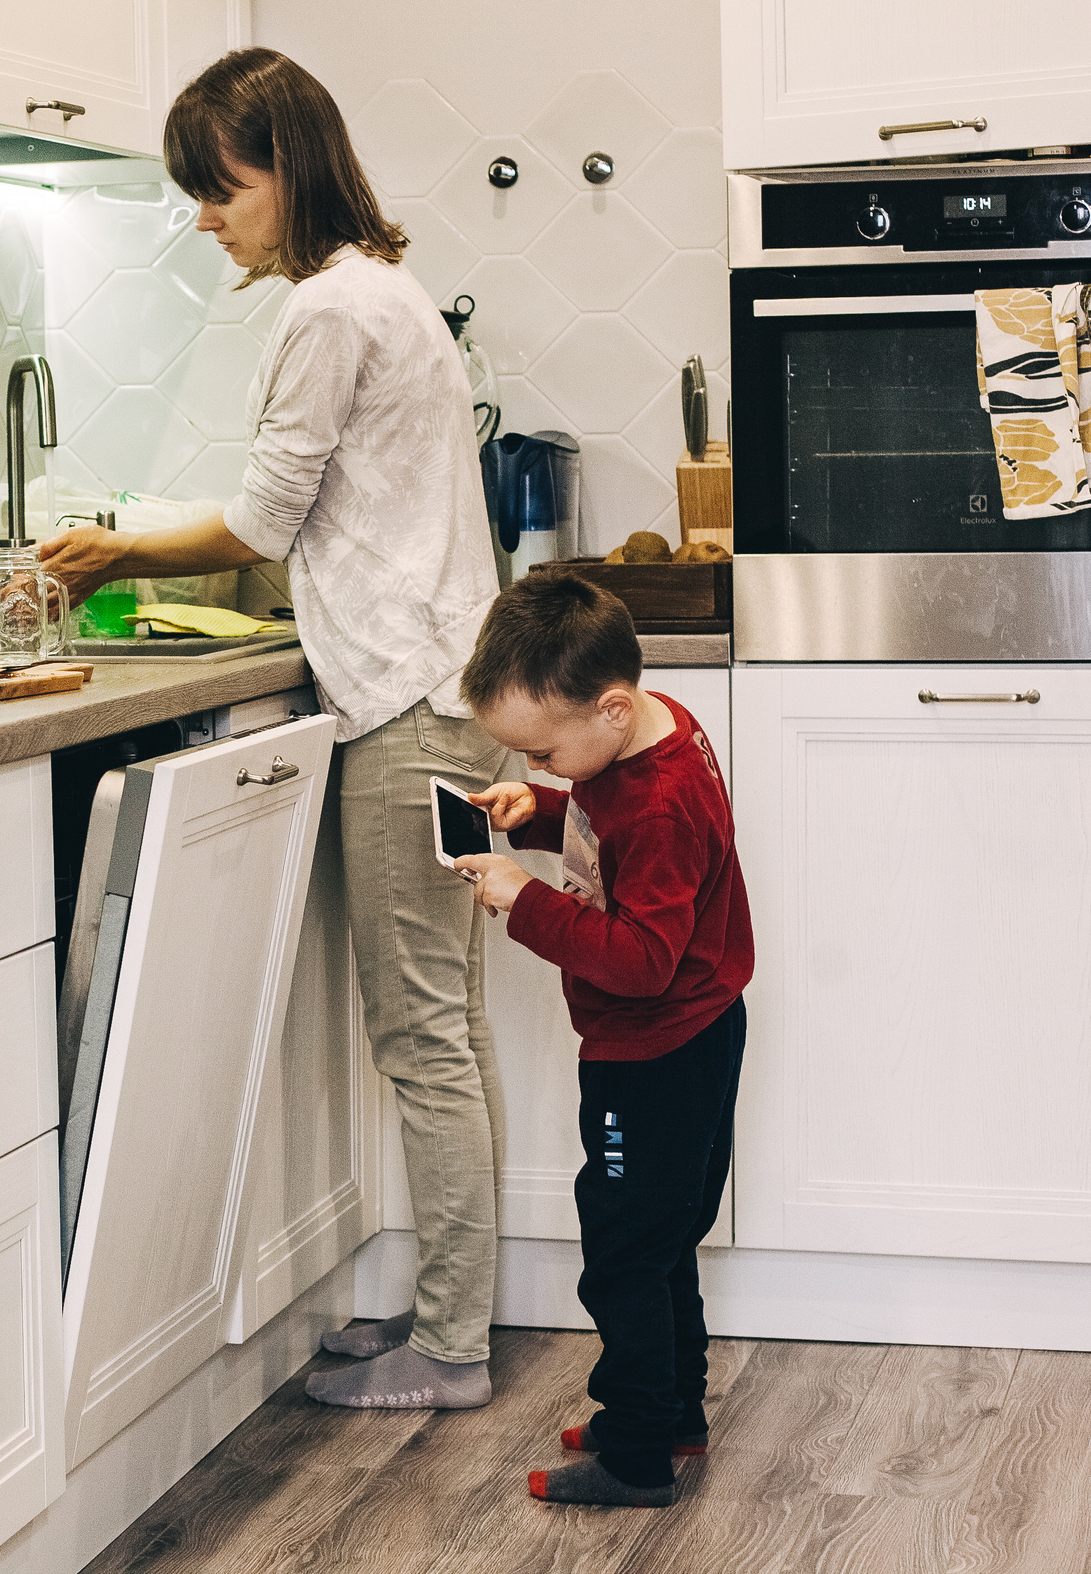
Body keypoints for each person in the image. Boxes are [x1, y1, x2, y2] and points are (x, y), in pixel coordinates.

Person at [40, 48, 508, 1411]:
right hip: (448, 691)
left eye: (220, 187)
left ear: (286, 170)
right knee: (454, 1024)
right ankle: (449, 1312)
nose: (206, 217)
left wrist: (108, 554)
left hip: (409, 708)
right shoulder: (387, 292)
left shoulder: (328, 311)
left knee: (425, 1033)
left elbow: (259, 524)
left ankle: (454, 1344)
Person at [449, 574, 752, 1507]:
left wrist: (521, 898)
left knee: (623, 1249)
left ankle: (633, 1453)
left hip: (652, 1054)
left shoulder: (654, 803)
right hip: (702, 1035)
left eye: (545, 749)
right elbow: (601, 815)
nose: (543, 763)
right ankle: (671, 1413)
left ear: (611, 710)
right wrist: (536, 811)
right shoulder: (655, 729)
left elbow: (643, 959)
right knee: (663, 1242)